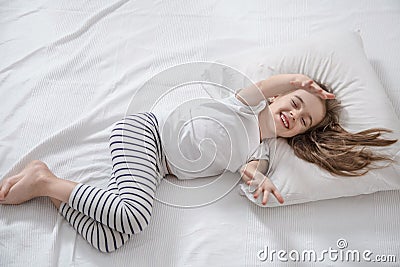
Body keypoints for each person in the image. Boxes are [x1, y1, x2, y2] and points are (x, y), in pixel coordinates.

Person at [0, 74, 396, 252]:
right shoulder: (244, 104)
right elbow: (265, 85)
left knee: (112, 239)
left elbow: (249, 175)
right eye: (294, 104)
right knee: (133, 218)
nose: (294, 115)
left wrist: (264, 184)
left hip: (157, 166)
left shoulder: (259, 153)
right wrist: (299, 82)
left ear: (299, 135)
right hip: (145, 133)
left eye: (303, 120)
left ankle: (51, 184)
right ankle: (45, 182)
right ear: (278, 99)